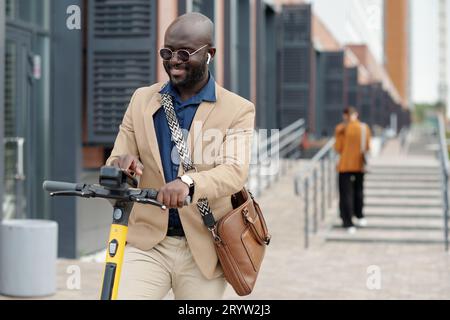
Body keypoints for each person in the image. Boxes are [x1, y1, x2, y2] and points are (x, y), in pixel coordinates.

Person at [105, 13, 255, 299]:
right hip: (148, 242)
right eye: (168, 52)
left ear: (209, 54)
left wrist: (188, 183)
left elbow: (234, 171)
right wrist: (121, 167)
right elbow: (116, 159)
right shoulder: (141, 99)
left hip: (204, 248)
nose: (174, 60)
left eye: (185, 53)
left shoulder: (238, 109)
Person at [334, 107, 371, 234]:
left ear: (345, 115)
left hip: (344, 166)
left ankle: (348, 222)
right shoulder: (364, 127)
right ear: (356, 114)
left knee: (346, 194)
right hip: (359, 165)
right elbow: (367, 146)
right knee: (359, 191)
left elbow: (338, 148)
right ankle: (360, 216)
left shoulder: (341, 128)